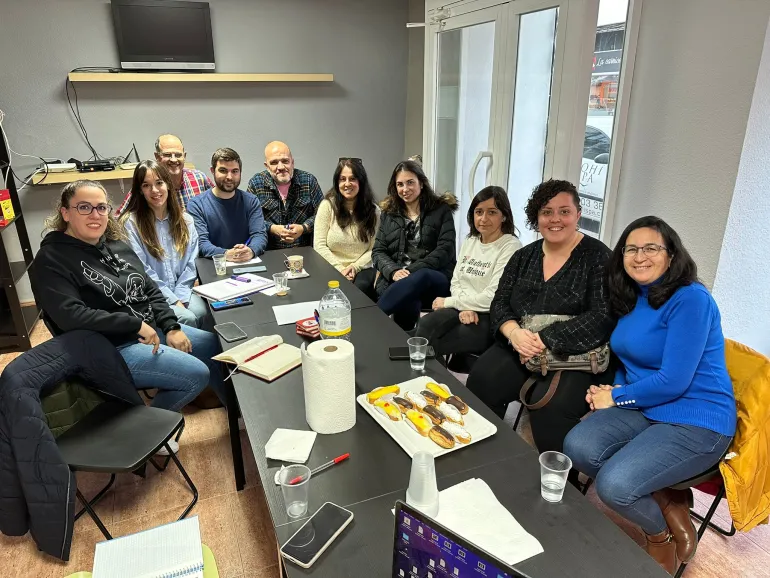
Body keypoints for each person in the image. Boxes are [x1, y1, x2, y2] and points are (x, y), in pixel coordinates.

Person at [563, 216, 736, 575]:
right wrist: (617, 388)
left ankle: (660, 540)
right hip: (649, 405)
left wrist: (618, 397)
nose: (640, 256)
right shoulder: (634, 297)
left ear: (671, 255)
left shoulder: (691, 299)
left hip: (697, 417)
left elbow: (674, 380)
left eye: (651, 248)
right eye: (631, 249)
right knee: (578, 446)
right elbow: (632, 358)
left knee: (615, 485)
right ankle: (667, 498)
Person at [29, 180, 226, 453]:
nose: (95, 215)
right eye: (84, 207)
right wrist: (135, 324)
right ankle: (148, 434)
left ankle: (236, 413)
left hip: (150, 331)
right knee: (195, 374)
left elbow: (151, 289)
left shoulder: (116, 246)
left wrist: (170, 326)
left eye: (101, 208)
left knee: (213, 346)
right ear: (65, 213)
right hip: (109, 348)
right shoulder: (51, 259)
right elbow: (70, 316)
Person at [465, 179, 615, 459]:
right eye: (547, 212)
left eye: (564, 211)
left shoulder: (599, 258)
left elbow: (602, 316)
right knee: (482, 380)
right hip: (522, 345)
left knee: (550, 409)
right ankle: (487, 458)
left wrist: (545, 338)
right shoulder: (524, 257)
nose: (555, 219)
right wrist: (514, 334)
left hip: (578, 356)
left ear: (578, 215)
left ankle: (559, 486)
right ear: (537, 217)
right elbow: (500, 303)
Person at [415, 186, 521, 357]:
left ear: (504, 215)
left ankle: (437, 382)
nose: (483, 218)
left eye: (492, 212)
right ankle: (427, 380)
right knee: (425, 326)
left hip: (489, 316)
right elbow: (457, 281)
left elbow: (493, 297)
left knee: (435, 343)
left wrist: (452, 302)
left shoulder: (510, 246)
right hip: (463, 307)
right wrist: (464, 306)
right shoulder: (470, 240)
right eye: (479, 212)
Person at [121, 160, 211, 329]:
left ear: (168, 185)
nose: (154, 190)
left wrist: (181, 296)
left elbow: (191, 265)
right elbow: (143, 271)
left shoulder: (186, 221)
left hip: (182, 289)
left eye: (159, 183)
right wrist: (173, 300)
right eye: (146, 185)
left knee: (204, 313)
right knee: (188, 318)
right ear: (140, 190)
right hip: (151, 296)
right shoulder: (131, 224)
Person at [372, 160, 457, 330]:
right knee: (408, 299)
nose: (405, 189)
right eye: (400, 184)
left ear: (421, 183)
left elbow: (445, 250)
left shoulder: (441, 210)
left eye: (410, 182)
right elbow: (378, 251)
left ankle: (372, 320)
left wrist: (410, 272)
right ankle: (403, 345)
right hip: (398, 281)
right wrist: (394, 271)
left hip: (434, 277)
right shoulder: (390, 213)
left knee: (422, 275)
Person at [314, 158, 380, 300]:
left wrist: (355, 267)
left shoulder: (374, 211)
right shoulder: (327, 206)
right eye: (342, 179)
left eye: (352, 179)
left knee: (358, 291)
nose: (347, 184)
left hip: (362, 268)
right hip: (330, 266)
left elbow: (375, 249)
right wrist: (340, 268)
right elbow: (319, 245)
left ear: (361, 182)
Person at [187, 147, 268, 261]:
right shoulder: (196, 205)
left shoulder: (251, 201)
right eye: (223, 170)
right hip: (215, 266)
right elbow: (201, 243)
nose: (229, 177)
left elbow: (259, 235)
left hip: (247, 263)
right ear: (212, 171)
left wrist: (251, 250)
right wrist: (226, 254)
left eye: (235, 171)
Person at [247, 141, 323, 250]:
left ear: (292, 162)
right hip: (269, 251)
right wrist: (272, 228)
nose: (281, 167)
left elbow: (323, 215)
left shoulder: (308, 181)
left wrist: (304, 227)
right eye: (274, 162)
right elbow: (250, 219)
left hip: (304, 249)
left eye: (285, 161)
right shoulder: (256, 183)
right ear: (267, 166)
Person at [115, 134, 212, 215]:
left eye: (178, 155)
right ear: (157, 157)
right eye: (167, 155)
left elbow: (217, 205)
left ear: (184, 156)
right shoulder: (147, 187)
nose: (173, 160)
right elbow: (119, 219)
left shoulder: (199, 178)